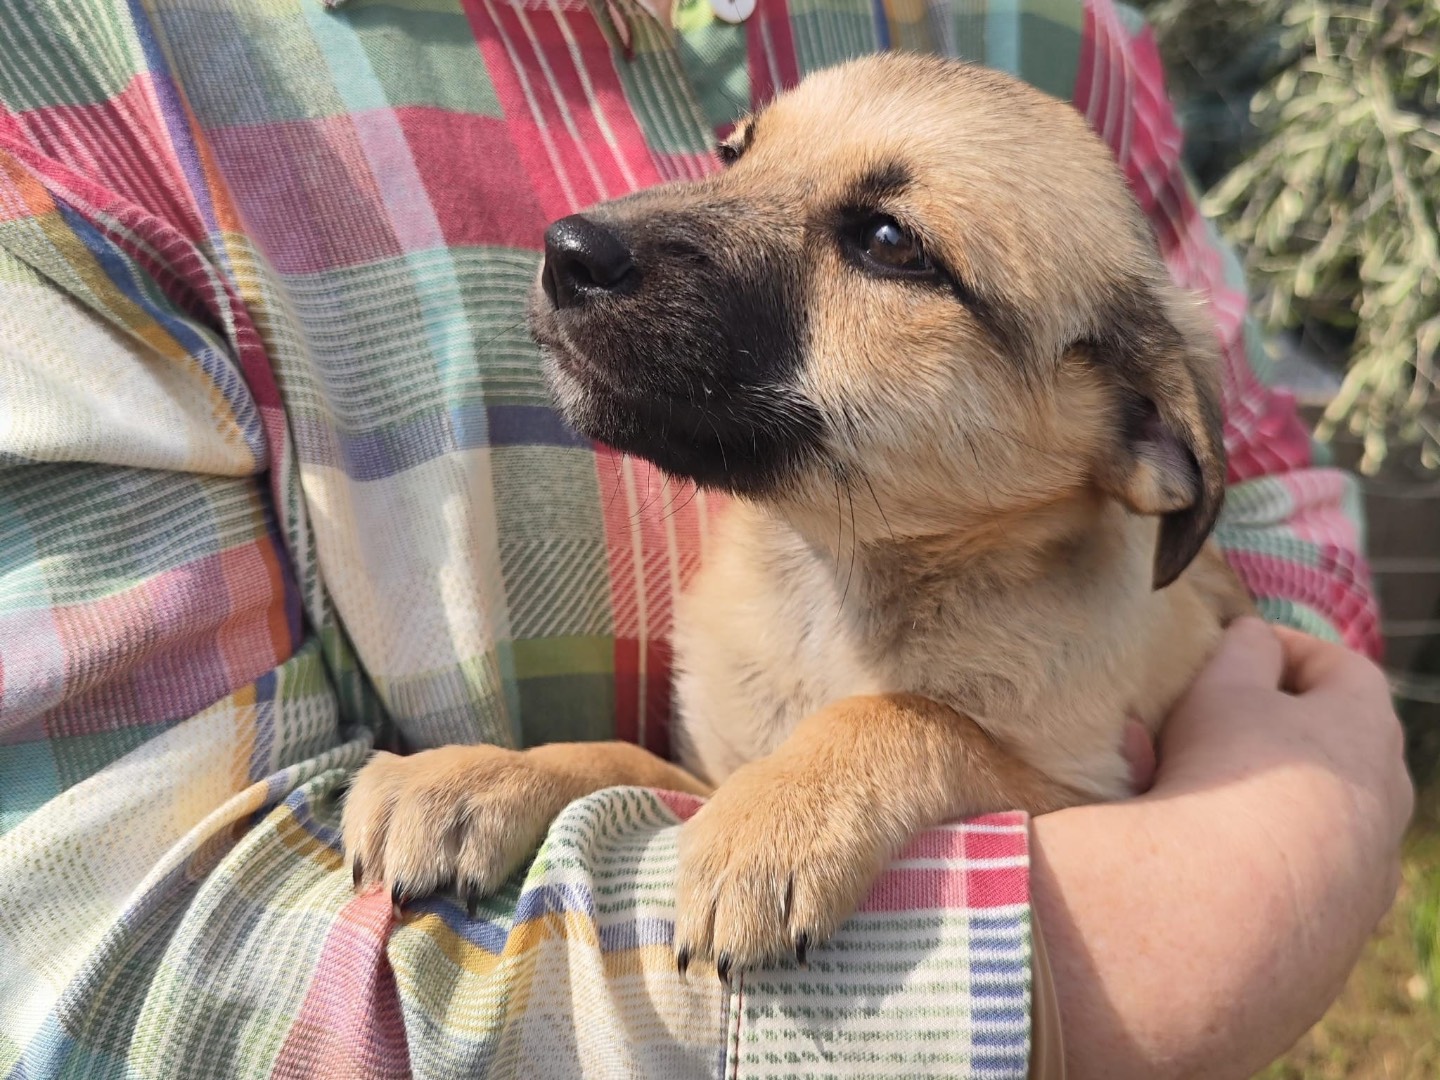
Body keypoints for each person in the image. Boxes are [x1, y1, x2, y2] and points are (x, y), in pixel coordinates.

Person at [0, 0, 1409, 1076]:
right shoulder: (71, 70)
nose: (606, 238)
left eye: (887, 243)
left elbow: (1252, 524)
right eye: (743, 155)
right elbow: (91, 974)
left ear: (1137, 440)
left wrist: (1282, 745)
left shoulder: (1064, 33)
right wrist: (582, 781)